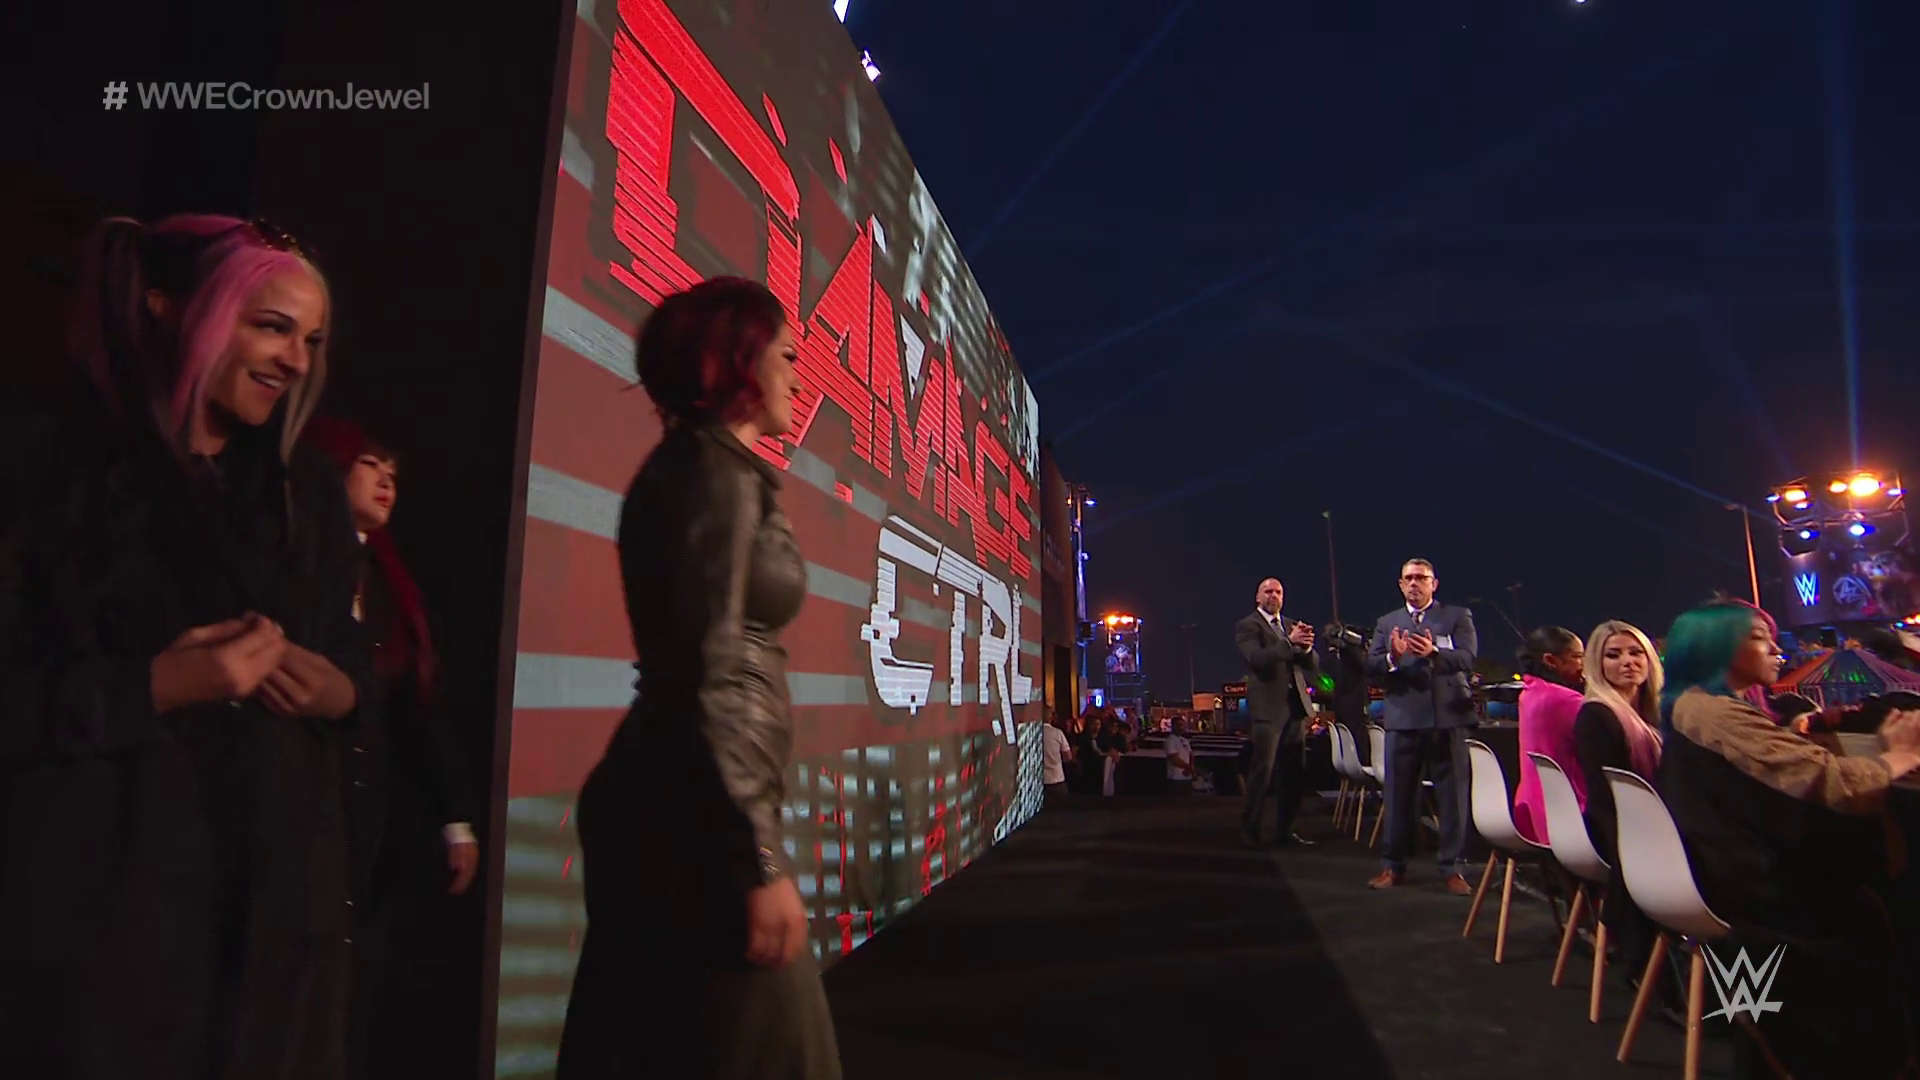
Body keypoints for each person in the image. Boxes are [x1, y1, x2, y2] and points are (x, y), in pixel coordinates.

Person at [0, 215, 368, 1079]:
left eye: (311, 340)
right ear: (168, 307)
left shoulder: (308, 495)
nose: (296, 361)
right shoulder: (43, 473)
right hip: (103, 963)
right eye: (272, 327)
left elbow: (353, 669)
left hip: (277, 961)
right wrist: (155, 686)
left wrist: (338, 692)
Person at [555, 277, 841, 1079]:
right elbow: (699, 680)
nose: (798, 376)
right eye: (787, 355)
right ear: (737, 359)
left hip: (691, 807)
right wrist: (755, 860)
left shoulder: (714, 471)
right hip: (690, 818)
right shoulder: (710, 475)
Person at [1657, 600, 1920, 1078]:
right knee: (1890, 884)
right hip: (1762, 900)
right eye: (1759, 637)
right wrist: (1901, 754)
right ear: (1716, 647)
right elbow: (1839, 786)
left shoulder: (1691, 706)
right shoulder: (1715, 713)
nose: (1776, 648)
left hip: (1723, 883)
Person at [300, 416, 479, 1079]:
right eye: (370, 464)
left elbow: (419, 713)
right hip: (306, 808)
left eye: (394, 472)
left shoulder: (389, 584)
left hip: (375, 824)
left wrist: (455, 820)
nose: (386, 481)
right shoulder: (292, 564)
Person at [1364, 558, 1477, 892]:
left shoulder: (1457, 616)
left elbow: (1467, 657)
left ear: (1434, 583)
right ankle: (1393, 866)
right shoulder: (1387, 622)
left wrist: (1434, 653)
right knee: (1398, 797)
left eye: (1421, 578)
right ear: (1401, 585)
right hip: (1403, 719)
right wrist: (1392, 658)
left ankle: (1452, 867)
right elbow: (1371, 666)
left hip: (1448, 718)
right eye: (1408, 578)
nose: (1414, 583)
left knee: (1453, 798)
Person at [1569, 619, 1665, 997]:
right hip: (1621, 834)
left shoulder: (1650, 713)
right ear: (1597, 664)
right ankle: (1745, 1003)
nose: (1627, 661)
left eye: (1636, 652)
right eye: (1613, 655)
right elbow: (1607, 800)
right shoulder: (1597, 715)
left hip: (1646, 829)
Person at [1235, 578, 1321, 846]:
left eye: (1278, 592)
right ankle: (1250, 830)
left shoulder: (1291, 625)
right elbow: (1257, 659)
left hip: (1294, 708)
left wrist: (1307, 648)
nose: (1273, 595)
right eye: (1268, 591)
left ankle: (1286, 830)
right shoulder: (1248, 625)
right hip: (1267, 709)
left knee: (1294, 774)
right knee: (1263, 772)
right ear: (1257, 597)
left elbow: (1310, 665)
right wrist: (1288, 642)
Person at [1511, 626, 1586, 844]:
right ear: (1550, 660)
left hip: (1528, 811)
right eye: (1577, 657)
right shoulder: (1566, 700)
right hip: (1564, 818)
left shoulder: (1530, 692)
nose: (1583, 664)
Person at [1041, 710, 1073, 803]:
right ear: (1051, 718)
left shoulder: (1032, 734)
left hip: (1039, 781)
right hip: (1057, 778)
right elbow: (1068, 756)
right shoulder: (1057, 733)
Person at [1164, 714, 1196, 796]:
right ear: (1173, 726)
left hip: (1187, 778)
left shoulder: (1185, 740)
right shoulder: (1170, 741)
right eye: (1178, 725)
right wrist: (1188, 768)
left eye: (1182, 725)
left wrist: (1191, 768)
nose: (1181, 727)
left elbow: (1191, 755)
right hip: (1175, 778)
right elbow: (1174, 759)